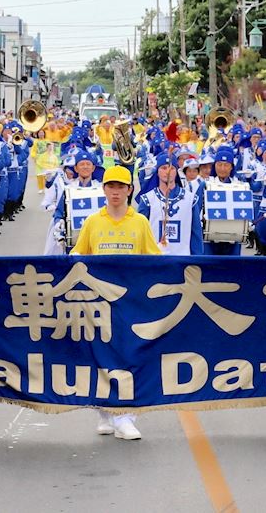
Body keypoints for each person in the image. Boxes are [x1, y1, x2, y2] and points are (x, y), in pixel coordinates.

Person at [72, 165, 160, 441]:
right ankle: (105, 411)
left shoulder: (140, 222)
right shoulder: (93, 222)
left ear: (129, 190)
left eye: (121, 187)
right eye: (111, 186)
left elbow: (153, 257)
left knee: (129, 354)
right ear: (104, 189)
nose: (116, 192)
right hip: (98, 302)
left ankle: (125, 416)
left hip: (130, 301)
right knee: (101, 356)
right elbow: (78, 253)